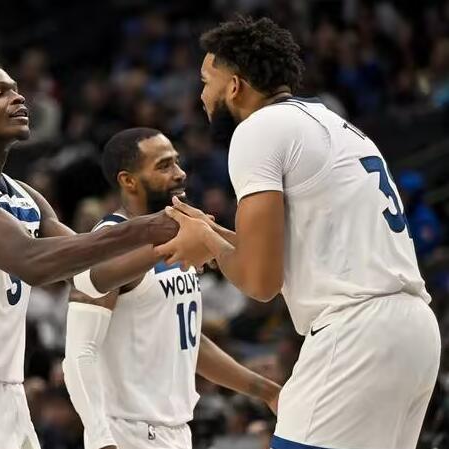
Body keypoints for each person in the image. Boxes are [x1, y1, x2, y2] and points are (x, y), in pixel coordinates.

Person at [154, 17, 441, 449]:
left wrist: (206, 240)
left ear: (235, 86)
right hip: (413, 330)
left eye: (206, 82)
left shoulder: (258, 130)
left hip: (356, 332)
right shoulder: (333, 124)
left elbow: (261, 282)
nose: (201, 96)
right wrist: (214, 233)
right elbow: (293, 252)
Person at [0, 56, 180, 449]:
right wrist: (143, 228)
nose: (18, 97)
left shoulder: (26, 197)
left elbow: (92, 275)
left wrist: (174, 244)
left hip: (5, 384)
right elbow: (30, 261)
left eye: (16, 90)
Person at [62, 128, 280, 449]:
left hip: (174, 431)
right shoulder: (110, 245)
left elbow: (186, 341)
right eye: (164, 166)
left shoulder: (177, 237)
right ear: (128, 181)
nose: (180, 173)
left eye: (177, 162)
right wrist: (101, 439)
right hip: (128, 432)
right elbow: (79, 354)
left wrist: (267, 392)